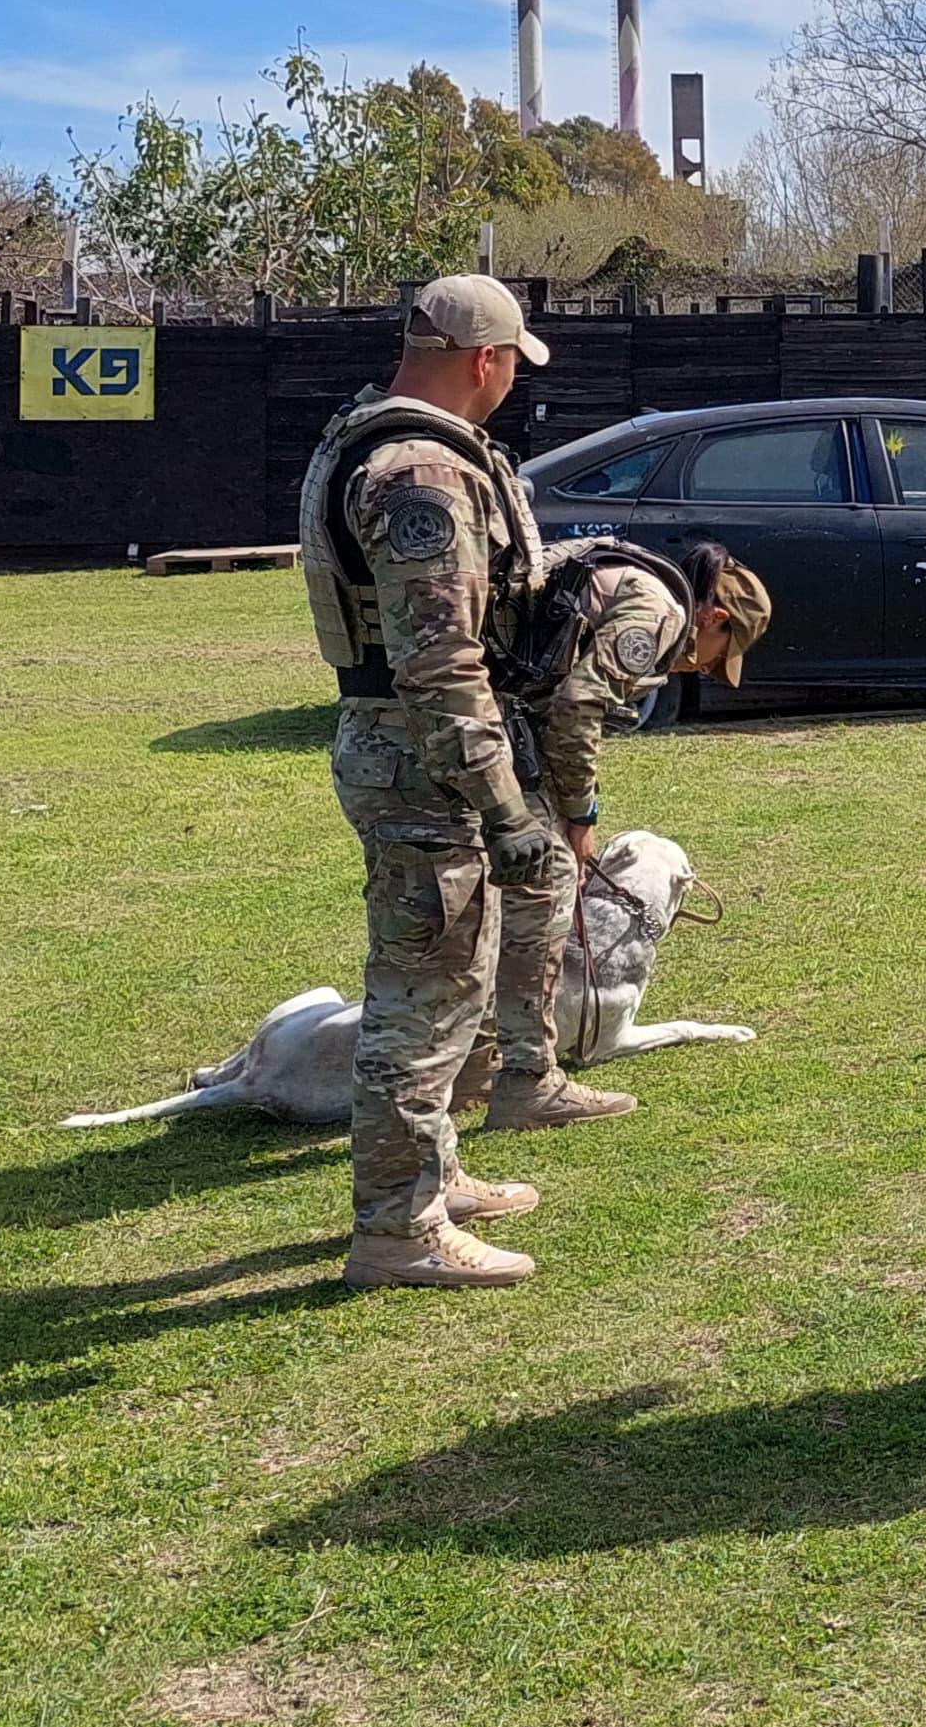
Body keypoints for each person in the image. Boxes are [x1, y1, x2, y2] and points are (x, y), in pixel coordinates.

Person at [295, 273, 583, 1292]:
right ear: (486, 360)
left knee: (452, 979)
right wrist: (506, 807)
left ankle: (434, 1176)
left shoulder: (375, 441)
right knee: (420, 1001)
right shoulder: (419, 473)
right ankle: (397, 1229)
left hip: (407, 748)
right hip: (426, 756)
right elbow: (439, 661)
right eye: (514, 363)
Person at [462, 533, 774, 1106]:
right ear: (716, 618)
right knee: (543, 897)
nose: (705, 669)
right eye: (719, 652)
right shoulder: (659, 610)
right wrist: (579, 817)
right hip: (487, 737)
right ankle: (526, 1083)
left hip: (469, 727)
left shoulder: (637, 588)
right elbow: (578, 705)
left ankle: (475, 1066)